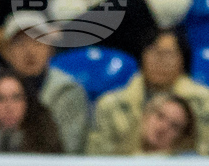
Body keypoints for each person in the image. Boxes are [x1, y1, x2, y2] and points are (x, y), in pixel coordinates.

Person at [0, 12, 88, 154]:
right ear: (5, 51)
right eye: (20, 43)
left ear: (50, 48)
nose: (30, 51)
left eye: (38, 41)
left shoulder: (67, 90)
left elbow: (70, 151)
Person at [87, 28, 209, 156]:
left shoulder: (205, 103)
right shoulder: (110, 104)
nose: (159, 60)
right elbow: (97, 158)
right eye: (153, 51)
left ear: (183, 59)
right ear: (142, 55)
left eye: (167, 54)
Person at [47, 0, 192, 59]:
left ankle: (61, 42)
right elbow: (60, 7)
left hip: (142, 32)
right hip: (95, 33)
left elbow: (177, 3)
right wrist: (102, 9)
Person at [0, 71, 65, 154]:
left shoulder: (47, 145)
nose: (8, 107)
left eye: (16, 98)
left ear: (28, 102)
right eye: (0, 99)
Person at [90, 92, 198, 156]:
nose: (163, 127)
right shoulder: (114, 157)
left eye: (174, 126)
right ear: (146, 114)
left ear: (182, 137)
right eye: (160, 116)